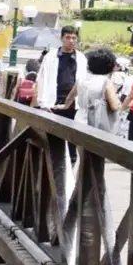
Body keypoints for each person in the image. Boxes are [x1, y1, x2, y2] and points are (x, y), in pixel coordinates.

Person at [36, 26, 87, 166]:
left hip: (74, 104)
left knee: (72, 139)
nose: (71, 41)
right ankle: (52, 170)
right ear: (62, 38)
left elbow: (83, 81)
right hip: (54, 102)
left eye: (74, 38)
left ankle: (70, 167)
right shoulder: (51, 56)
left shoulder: (81, 58)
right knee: (53, 138)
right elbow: (42, 79)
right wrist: (43, 103)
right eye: (68, 38)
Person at [75, 48, 122, 132]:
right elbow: (114, 107)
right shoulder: (106, 82)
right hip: (98, 126)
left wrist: (64, 106)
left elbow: (70, 97)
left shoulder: (81, 79)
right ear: (109, 65)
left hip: (80, 121)